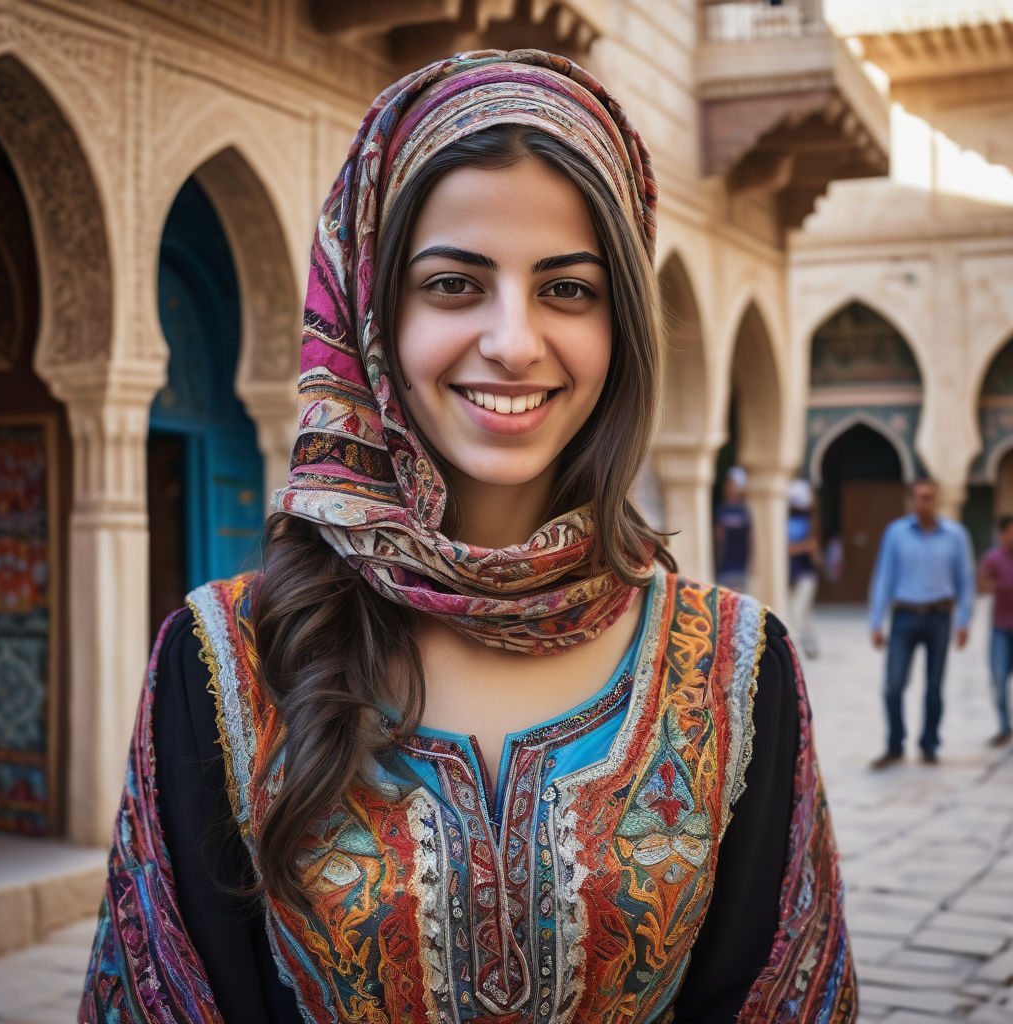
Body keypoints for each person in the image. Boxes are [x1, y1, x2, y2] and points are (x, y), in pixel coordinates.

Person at [81, 50, 854, 1023]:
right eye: (454, 284)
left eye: (566, 289)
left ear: (620, 323)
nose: (514, 341)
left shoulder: (737, 669)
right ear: (371, 313)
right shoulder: (225, 661)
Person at [868, 477, 974, 768]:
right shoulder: (896, 533)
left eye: (929, 497)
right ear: (911, 500)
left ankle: (929, 744)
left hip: (940, 617)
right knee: (893, 684)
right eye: (919, 497)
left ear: (936, 500)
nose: (924, 503)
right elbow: (884, 577)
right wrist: (876, 622)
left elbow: (965, 581)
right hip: (904, 616)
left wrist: (964, 621)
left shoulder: (956, 535)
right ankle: (895, 744)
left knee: (935, 686)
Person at [977, 514, 1013, 746]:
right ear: (1002, 533)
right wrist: (1000, 586)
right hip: (1001, 628)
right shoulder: (992, 558)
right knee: (999, 677)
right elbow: (981, 585)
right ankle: (1003, 725)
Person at [787, 478, 820, 659]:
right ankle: (808, 647)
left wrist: (796, 548)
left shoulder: (809, 524)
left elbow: (813, 549)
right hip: (792, 573)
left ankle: (801, 649)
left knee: (800, 613)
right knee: (800, 613)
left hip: (805, 574)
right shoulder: (789, 521)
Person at [713, 465, 751, 592]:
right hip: (725, 568)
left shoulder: (746, 509)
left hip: (740, 568)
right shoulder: (722, 509)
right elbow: (719, 538)